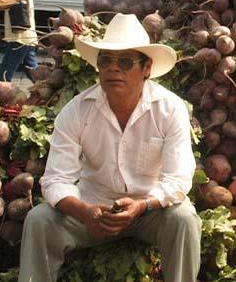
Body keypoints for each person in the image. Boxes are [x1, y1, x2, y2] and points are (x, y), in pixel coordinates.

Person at [19, 14, 200, 282]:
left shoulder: (170, 109)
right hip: (92, 211)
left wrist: (142, 206)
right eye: (106, 61)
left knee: (184, 218)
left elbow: (179, 178)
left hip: (149, 211)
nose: (114, 69)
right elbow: (56, 179)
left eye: (125, 62)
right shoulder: (77, 111)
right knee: (39, 220)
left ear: (146, 68)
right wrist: (85, 212)